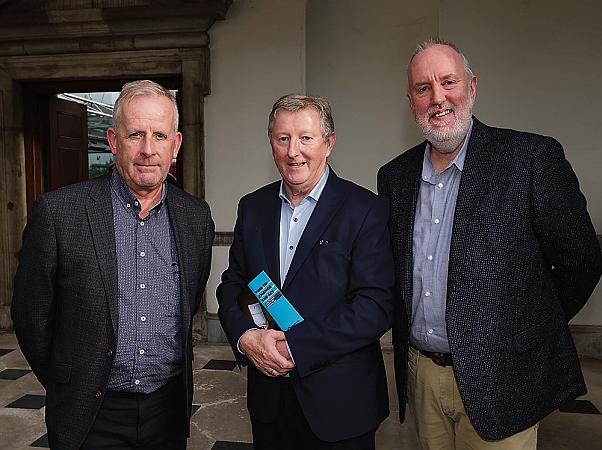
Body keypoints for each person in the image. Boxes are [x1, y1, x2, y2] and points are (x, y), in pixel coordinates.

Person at [377, 38, 602, 450]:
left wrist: (521, 332)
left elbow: (581, 261)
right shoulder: (394, 176)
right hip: (423, 374)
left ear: (473, 87)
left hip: (503, 377)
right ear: (411, 100)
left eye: (449, 82)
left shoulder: (530, 158)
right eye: (423, 88)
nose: (438, 98)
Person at [12, 80, 214, 450]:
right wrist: (68, 380)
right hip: (90, 416)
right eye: (135, 134)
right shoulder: (60, 213)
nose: (148, 150)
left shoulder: (196, 218)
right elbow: (30, 317)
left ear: (177, 145)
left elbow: (189, 300)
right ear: (113, 140)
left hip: (166, 412)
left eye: (159, 136)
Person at [217, 94, 395, 450]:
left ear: (328, 143)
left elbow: (375, 306)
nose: (293, 151)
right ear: (271, 144)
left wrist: (297, 346)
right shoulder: (253, 207)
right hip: (269, 401)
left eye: (306, 138)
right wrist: (246, 338)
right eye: (282, 138)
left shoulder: (364, 210)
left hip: (340, 405)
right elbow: (232, 284)